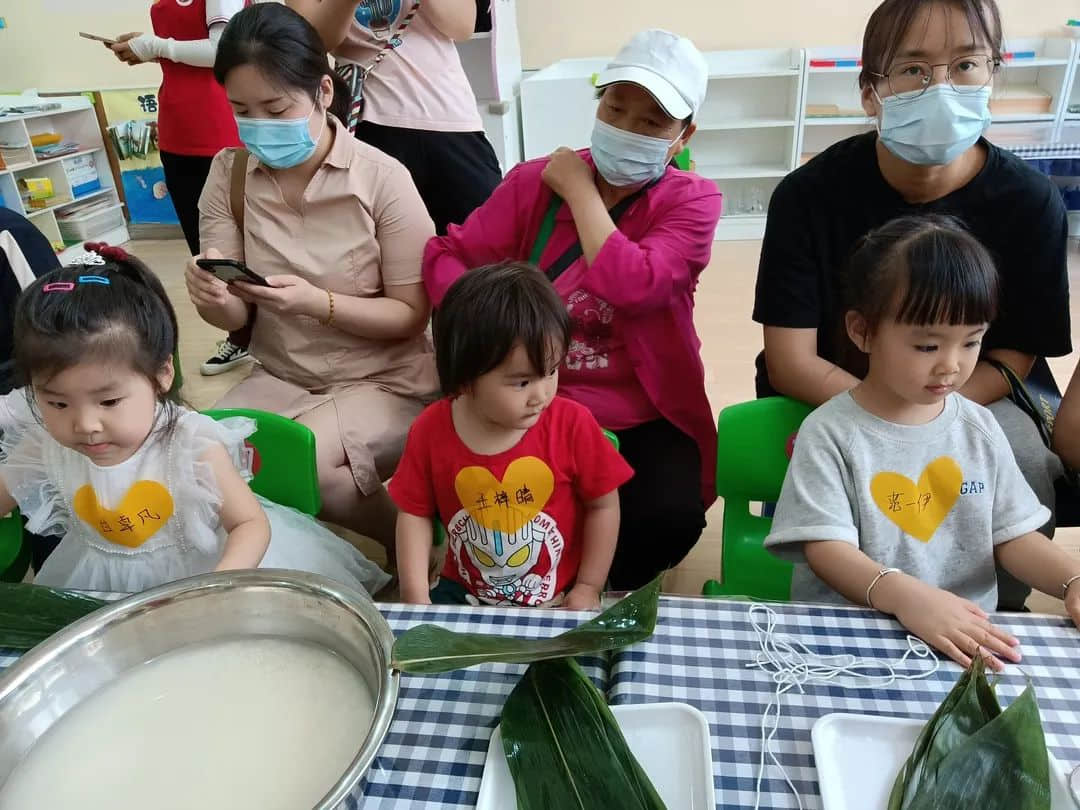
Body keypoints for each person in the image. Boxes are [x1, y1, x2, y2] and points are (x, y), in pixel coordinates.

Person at [753, 0, 1070, 610]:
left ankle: (991, 609)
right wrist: (880, 418)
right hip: (839, 389)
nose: (941, 88)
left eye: (965, 65)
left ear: (993, 74)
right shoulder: (808, 195)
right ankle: (883, 595)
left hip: (976, 389)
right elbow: (791, 357)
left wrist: (941, 421)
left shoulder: (1029, 201)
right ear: (871, 92)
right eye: (914, 71)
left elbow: (1014, 352)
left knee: (1023, 459)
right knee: (852, 464)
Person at [423, 29, 721, 590]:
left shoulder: (692, 201)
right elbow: (448, 256)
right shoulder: (534, 184)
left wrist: (581, 191)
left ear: (684, 134)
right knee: (502, 504)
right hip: (535, 393)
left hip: (642, 405)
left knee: (668, 518)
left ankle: (599, 582)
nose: (626, 127)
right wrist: (484, 326)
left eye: (652, 122)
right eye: (615, 107)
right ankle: (542, 578)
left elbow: (637, 285)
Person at [765, 216, 1080, 672]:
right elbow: (826, 549)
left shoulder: (979, 427)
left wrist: (1070, 579)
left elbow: (1013, 536)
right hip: (848, 639)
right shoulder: (830, 432)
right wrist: (906, 597)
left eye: (971, 342)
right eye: (928, 347)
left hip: (960, 638)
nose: (950, 366)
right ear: (862, 331)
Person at [185, 3, 439, 554]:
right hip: (284, 372)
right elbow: (236, 315)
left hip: (386, 377)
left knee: (298, 458)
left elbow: (410, 315)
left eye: (276, 109)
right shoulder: (228, 175)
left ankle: (417, 546)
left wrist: (316, 303)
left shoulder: (381, 179)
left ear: (324, 93)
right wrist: (213, 297)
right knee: (201, 455)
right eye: (242, 110)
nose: (259, 127)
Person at [0, 247, 389, 595]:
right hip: (101, 585)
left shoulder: (190, 444)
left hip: (208, 579)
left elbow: (250, 525)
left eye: (109, 400)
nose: (85, 424)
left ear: (162, 373)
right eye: (56, 403)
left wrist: (217, 587)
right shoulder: (43, 444)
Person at [390, 263, 633, 608]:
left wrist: (589, 586)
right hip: (464, 595)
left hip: (557, 595)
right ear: (465, 378)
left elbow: (603, 505)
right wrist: (414, 594)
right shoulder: (430, 429)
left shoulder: (572, 424)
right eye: (522, 382)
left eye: (550, 372)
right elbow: (414, 513)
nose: (541, 394)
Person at [105, 0, 252, 377]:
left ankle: (265, 336)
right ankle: (241, 337)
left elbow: (224, 49)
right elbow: (181, 50)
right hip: (176, 131)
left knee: (245, 244)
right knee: (204, 250)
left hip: (219, 130)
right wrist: (144, 48)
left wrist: (157, 46)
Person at [286, 0, 502, 234]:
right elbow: (312, 41)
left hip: (449, 116)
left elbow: (462, 26)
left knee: (487, 244)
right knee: (383, 253)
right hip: (368, 122)